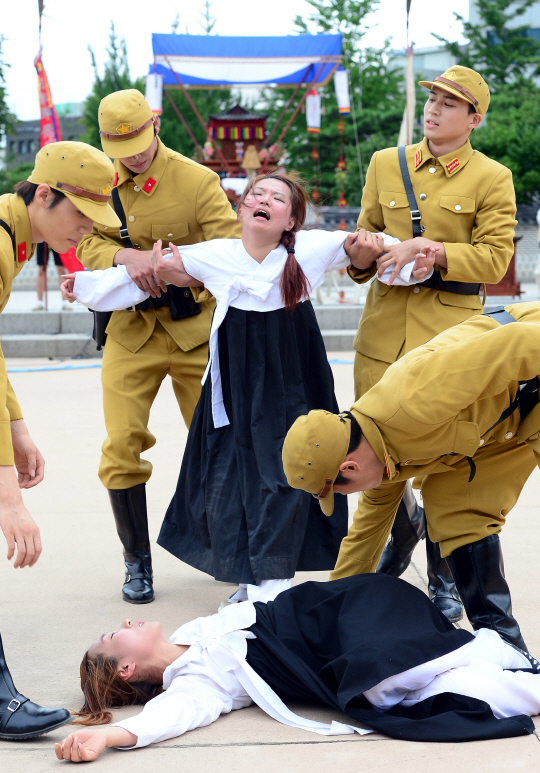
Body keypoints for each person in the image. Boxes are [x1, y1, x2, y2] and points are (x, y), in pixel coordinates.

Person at [62, 173, 435, 606]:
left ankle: (270, 585)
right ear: (241, 208)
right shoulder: (216, 254)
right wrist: (87, 287)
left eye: (277, 198)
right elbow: (147, 269)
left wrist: (412, 255)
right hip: (236, 381)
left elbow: (380, 247)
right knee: (236, 471)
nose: (264, 200)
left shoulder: (312, 248)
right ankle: (253, 575)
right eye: (256, 193)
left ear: (291, 220)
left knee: (286, 470)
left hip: (294, 377)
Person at [338, 65, 517, 624]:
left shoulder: (493, 177)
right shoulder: (385, 164)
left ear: (474, 119)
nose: (434, 108)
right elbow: (359, 256)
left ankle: (441, 577)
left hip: (450, 347)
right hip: (382, 340)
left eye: (449, 103)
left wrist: (433, 250)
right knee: (370, 460)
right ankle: (365, 569)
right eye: (432, 98)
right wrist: (360, 253)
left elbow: (493, 260)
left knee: (444, 462)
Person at [54, 573, 540, 763]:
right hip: (344, 647)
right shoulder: (199, 681)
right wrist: (108, 737)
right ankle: (508, 669)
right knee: (424, 691)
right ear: (127, 668)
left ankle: (490, 648)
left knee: (384, 676)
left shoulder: (194, 630)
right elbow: (171, 717)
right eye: (113, 636)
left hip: (346, 608)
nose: (122, 621)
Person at [283, 301, 540, 651]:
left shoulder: (413, 396)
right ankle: (507, 652)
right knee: (456, 510)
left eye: (339, 492)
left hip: (532, 360)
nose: (346, 497)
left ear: (349, 468)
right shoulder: (378, 457)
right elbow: (363, 541)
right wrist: (332, 613)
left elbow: (520, 344)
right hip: (505, 421)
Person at [76, 89, 241, 606]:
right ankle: (137, 561)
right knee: (122, 445)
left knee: (217, 442)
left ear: (155, 123)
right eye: (121, 149)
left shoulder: (196, 180)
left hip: (192, 331)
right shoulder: (99, 182)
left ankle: (227, 547)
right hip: (129, 334)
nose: (133, 156)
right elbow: (84, 241)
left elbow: (229, 248)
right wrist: (126, 255)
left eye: (140, 143)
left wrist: (174, 266)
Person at [0, 140, 120, 739]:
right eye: (81, 217)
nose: (84, 232)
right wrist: (8, 498)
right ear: (43, 194)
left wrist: (17, 425)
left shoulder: (14, 236)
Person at [33, 243, 72, 311]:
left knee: (61, 269)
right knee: (41, 270)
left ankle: (65, 301)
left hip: (57, 238)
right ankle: (39, 302)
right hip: (43, 239)